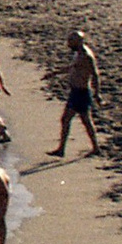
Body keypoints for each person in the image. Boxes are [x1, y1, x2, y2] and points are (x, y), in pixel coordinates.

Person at [48, 30, 101, 158]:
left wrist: (97, 93)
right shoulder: (78, 53)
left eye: (71, 41)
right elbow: (73, 67)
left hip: (81, 93)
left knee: (72, 120)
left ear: (78, 41)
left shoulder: (86, 56)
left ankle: (63, 149)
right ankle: (94, 147)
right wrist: (55, 73)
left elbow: (95, 74)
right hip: (76, 92)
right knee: (82, 121)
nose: (68, 44)